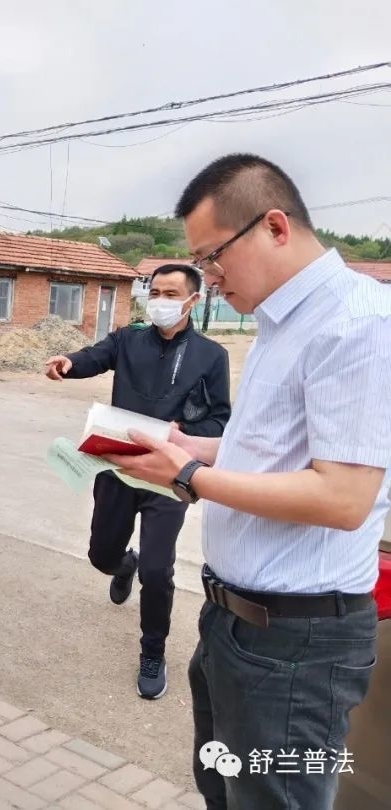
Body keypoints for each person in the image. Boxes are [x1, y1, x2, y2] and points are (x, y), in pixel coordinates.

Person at [106, 153, 391, 809]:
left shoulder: (357, 323)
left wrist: (186, 477)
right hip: (235, 622)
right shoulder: (278, 323)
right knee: (227, 790)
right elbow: (271, 451)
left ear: (274, 227)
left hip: (296, 642)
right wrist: (193, 446)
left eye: (211, 257)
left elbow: (343, 497)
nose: (207, 277)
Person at [44, 264, 231, 699]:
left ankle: (153, 652)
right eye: (156, 292)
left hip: (168, 476)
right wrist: (69, 363)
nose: (161, 301)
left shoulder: (210, 355)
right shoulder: (128, 340)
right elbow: (94, 355)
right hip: (119, 467)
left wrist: (185, 436)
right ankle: (121, 565)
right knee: (101, 554)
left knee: (158, 570)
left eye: (171, 293)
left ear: (192, 301)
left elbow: (221, 417)